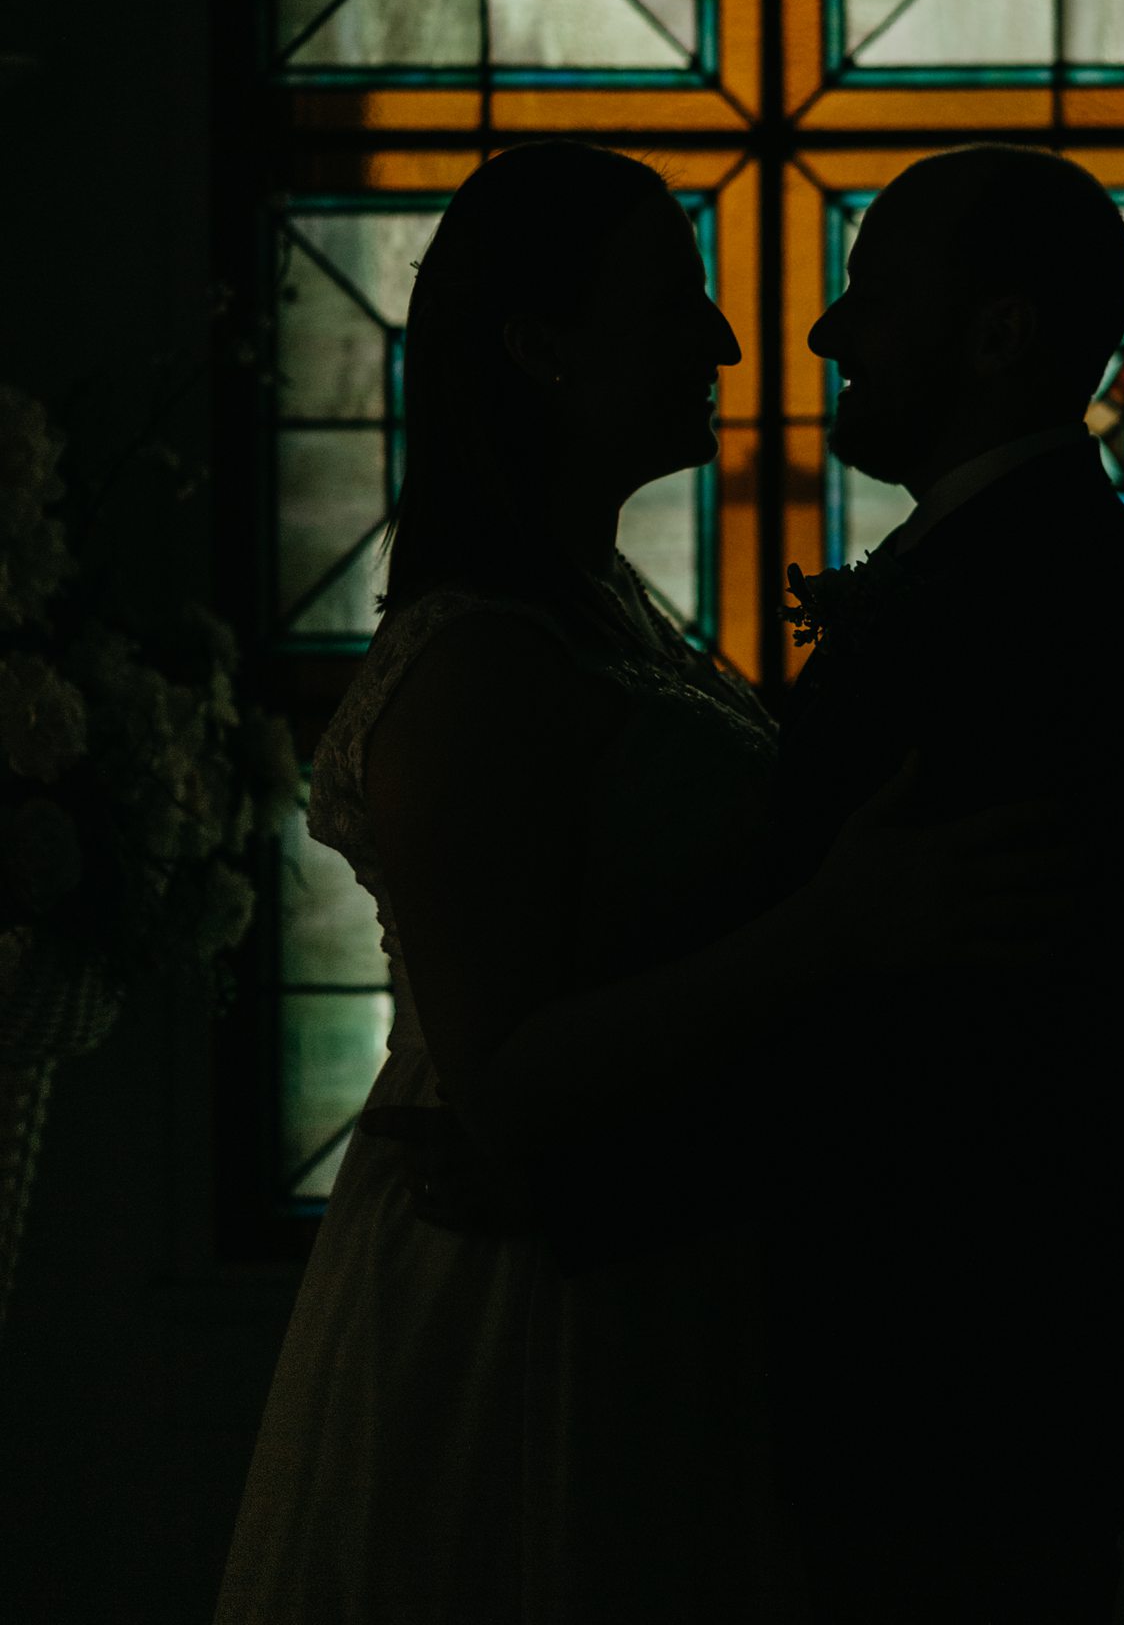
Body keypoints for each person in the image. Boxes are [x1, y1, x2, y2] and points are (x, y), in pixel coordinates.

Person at [365, 143, 1124, 1623]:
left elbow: (925, 1049)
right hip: (913, 1365)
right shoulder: (999, 572)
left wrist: (587, 1175)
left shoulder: (1011, 601)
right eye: (681, 302)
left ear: (997, 333)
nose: (806, 336)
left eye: (871, 294)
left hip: (959, 1367)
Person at [214, 142, 1074, 1625]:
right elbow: (504, 1089)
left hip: (655, 1268)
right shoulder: (479, 663)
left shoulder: (597, 607)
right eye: (674, 304)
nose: (730, 340)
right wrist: (829, 932)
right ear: (543, 351)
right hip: (524, 1317)